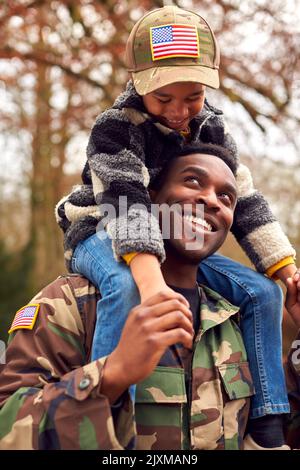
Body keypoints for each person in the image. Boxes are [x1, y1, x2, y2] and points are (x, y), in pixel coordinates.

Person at [55, 6, 298, 447]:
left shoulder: (213, 129)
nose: (179, 111)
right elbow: (124, 205)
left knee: (263, 293)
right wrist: (152, 288)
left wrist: (284, 269)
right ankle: (112, 414)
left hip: (166, 232)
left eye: (192, 97)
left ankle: (267, 422)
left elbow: (245, 199)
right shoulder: (115, 128)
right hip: (101, 227)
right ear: (137, 82)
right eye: (163, 99)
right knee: (126, 289)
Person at [0, 146, 262, 450]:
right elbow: (7, 428)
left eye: (227, 197)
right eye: (192, 182)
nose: (212, 201)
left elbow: (274, 431)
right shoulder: (71, 304)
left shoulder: (238, 318)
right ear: (148, 196)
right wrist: (110, 375)